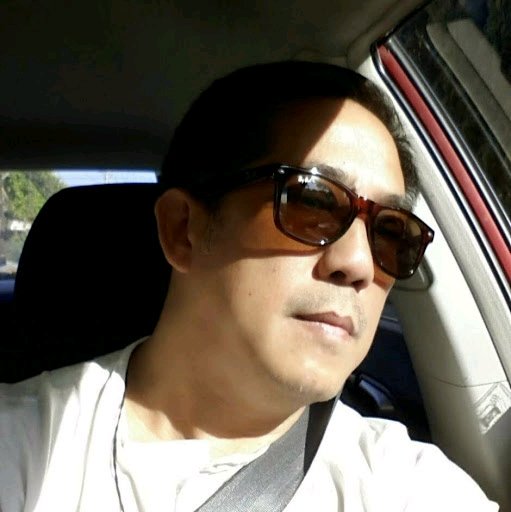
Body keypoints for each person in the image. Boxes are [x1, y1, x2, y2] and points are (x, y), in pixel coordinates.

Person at [0, 61, 499, 511]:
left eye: (391, 232)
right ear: (183, 230)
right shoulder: (26, 448)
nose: (359, 263)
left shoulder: (406, 486)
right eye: (312, 201)